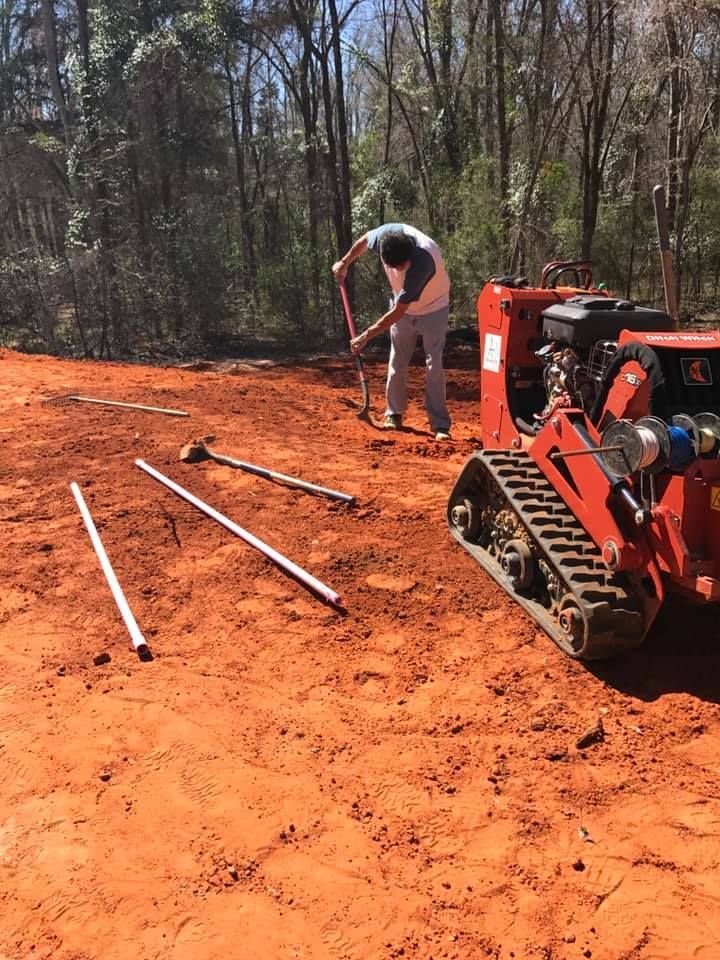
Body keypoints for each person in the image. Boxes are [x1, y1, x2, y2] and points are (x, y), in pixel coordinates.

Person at [332, 223, 452, 440]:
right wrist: (344, 262)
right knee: (397, 360)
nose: (396, 271)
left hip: (434, 307)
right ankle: (394, 414)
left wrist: (366, 335)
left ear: (409, 256)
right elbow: (364, 240)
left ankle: (440, 425)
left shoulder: (423, 261)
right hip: (403, 307)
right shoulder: (383, 238)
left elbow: (398, 312)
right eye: (391, 266)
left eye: (400, 266)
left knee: (433, 363)